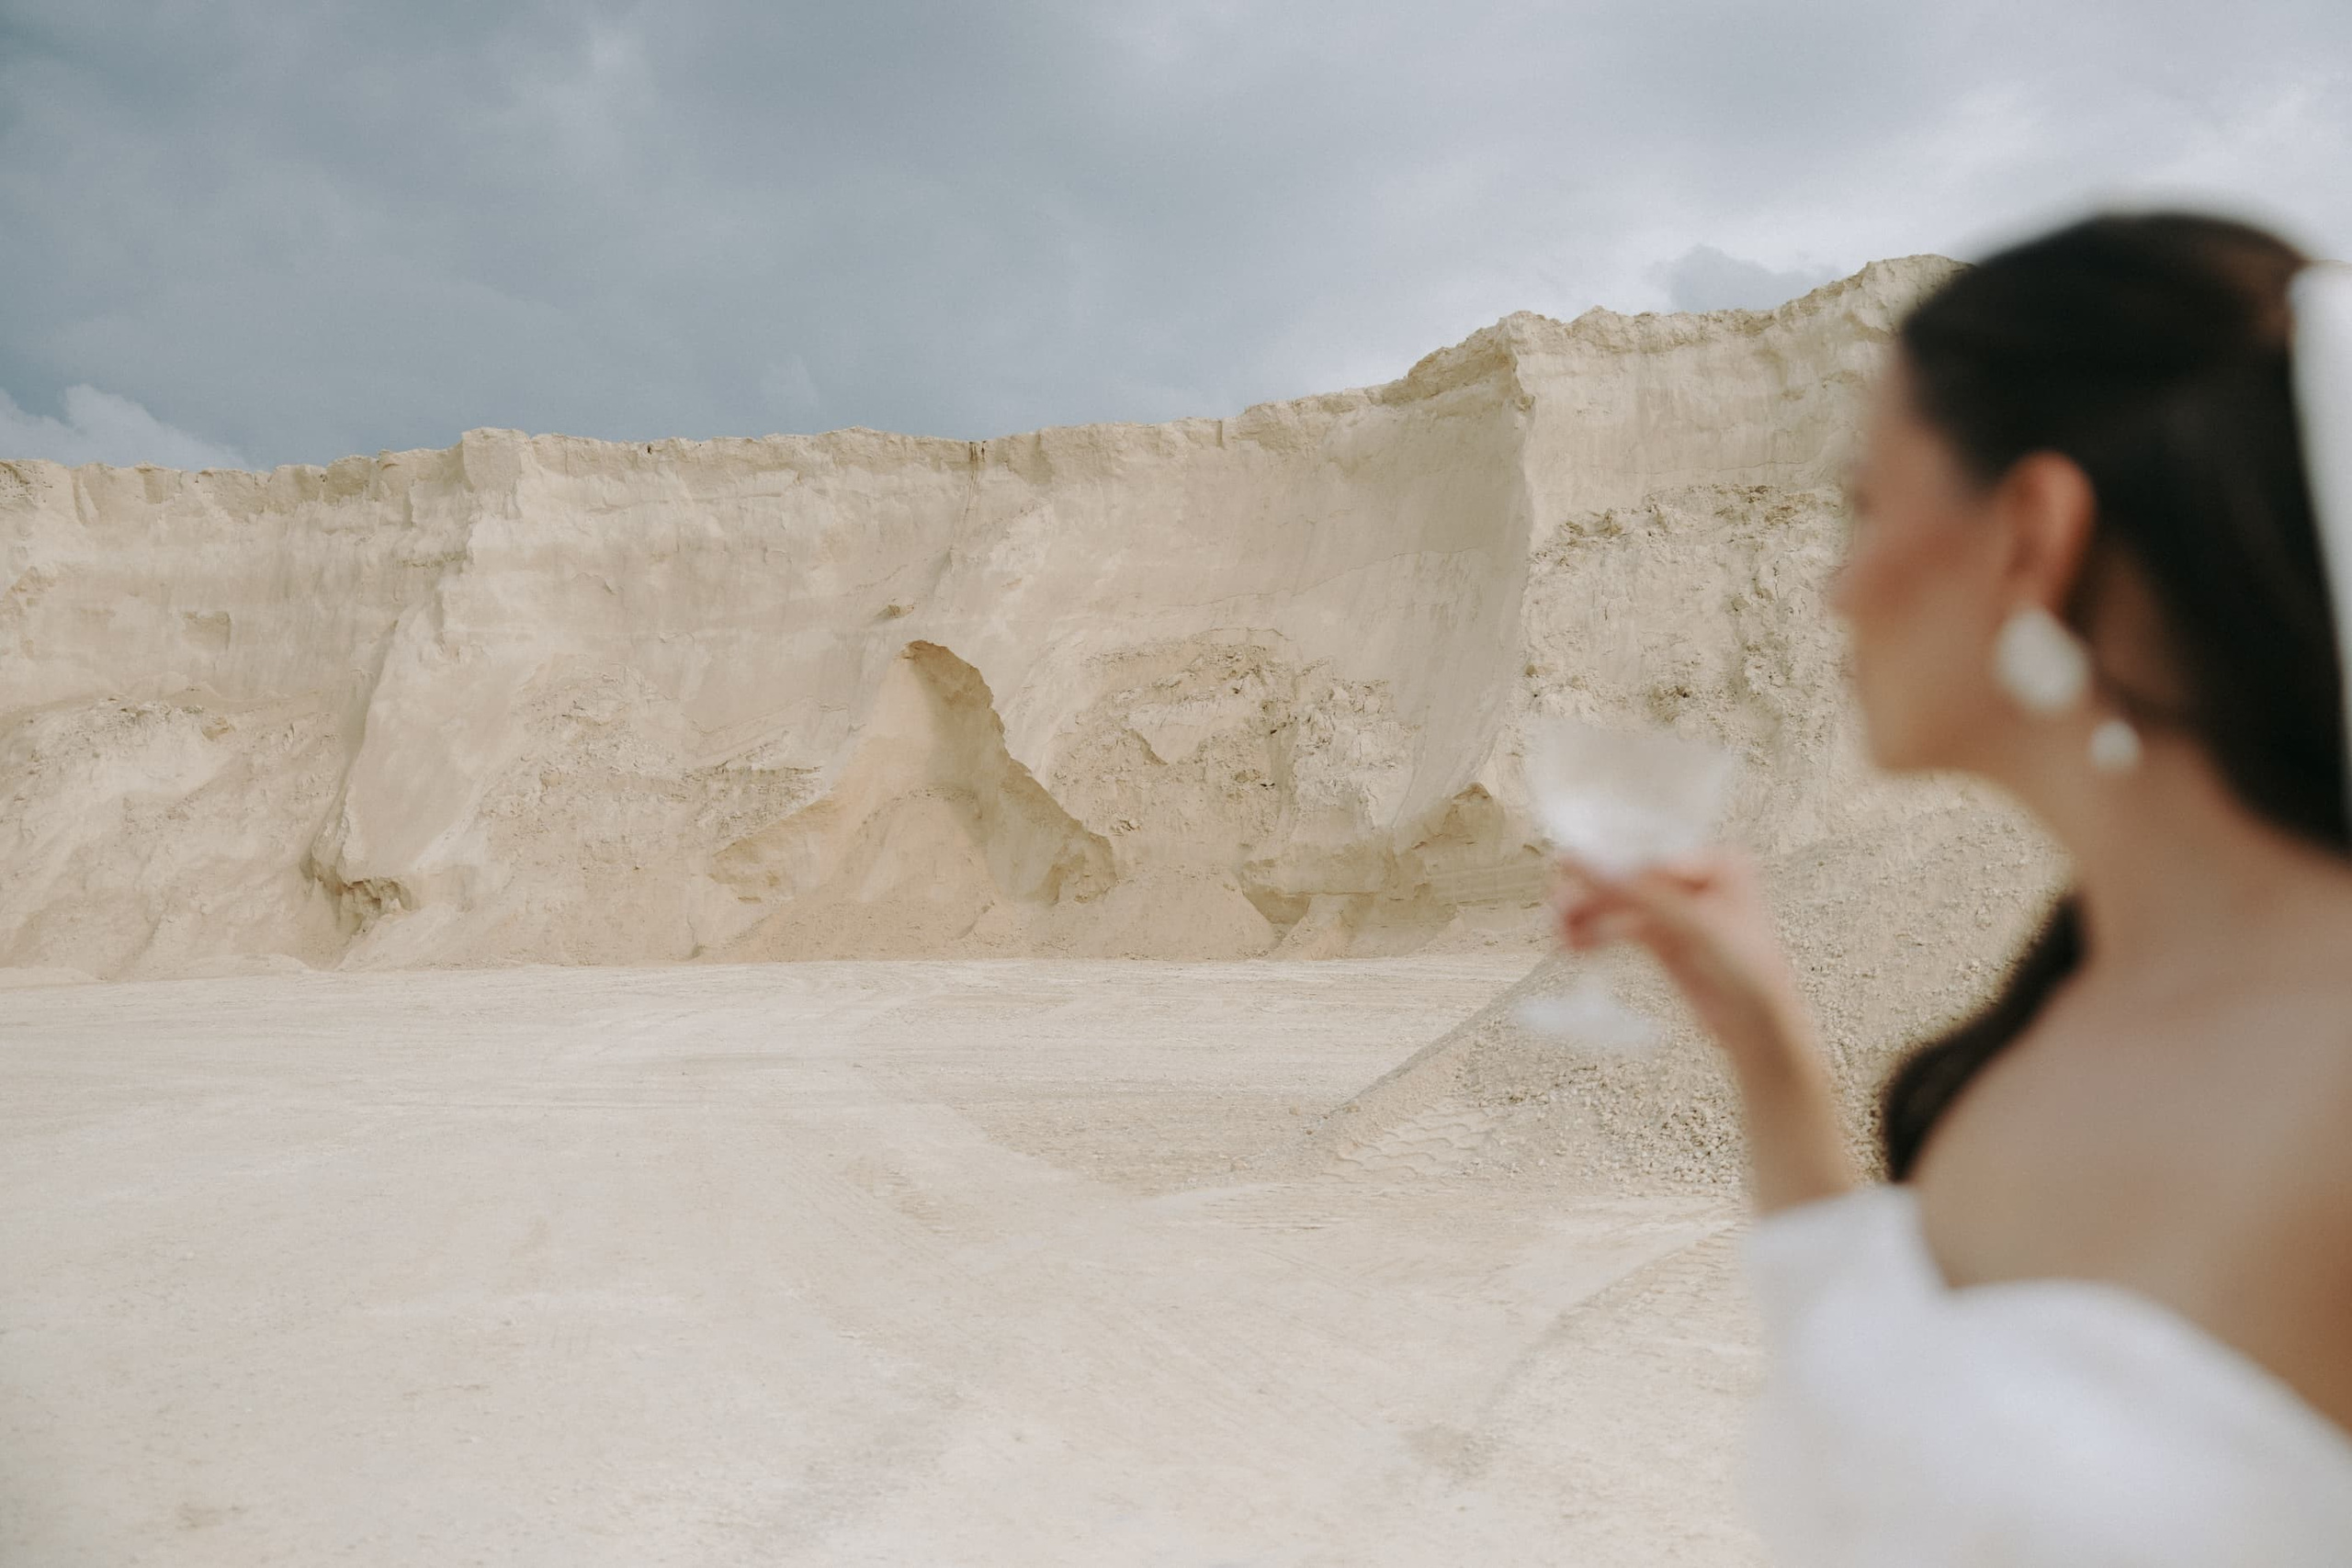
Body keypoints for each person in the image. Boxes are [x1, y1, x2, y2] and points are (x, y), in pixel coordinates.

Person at [1553, 211, 2352, 1562]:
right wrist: (1763, 1039)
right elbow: (1901, 1405)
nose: (1835, 588)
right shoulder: (2053, 1018)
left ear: (2032, 534)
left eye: (1866, 506)